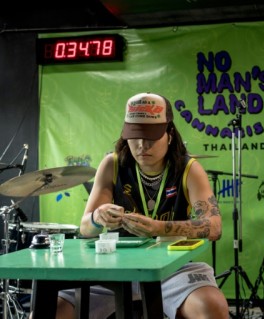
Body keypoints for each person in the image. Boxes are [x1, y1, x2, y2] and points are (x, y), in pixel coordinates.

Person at [48, 92, 229, 319]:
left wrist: (157, 228)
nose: (142, 145)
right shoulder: (112, 163)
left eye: (151, 137)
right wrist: (98, 218)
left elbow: (214, 227)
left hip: (172, 269)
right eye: (134, 136)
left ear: (170, 134)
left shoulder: (188, 168)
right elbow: (85, 228)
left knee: (212, 308)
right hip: (114, 267)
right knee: (50, 310)